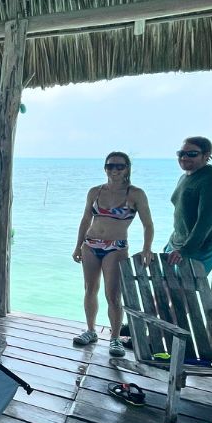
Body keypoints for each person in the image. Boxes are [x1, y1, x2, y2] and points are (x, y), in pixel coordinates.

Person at [72, 152, 155, 356]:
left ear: (127, 168)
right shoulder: (95, 192)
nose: (114, 170)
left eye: (119, 166)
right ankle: (91, 330)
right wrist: (77, 245)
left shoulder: (135, 194)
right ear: (105, 168)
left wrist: (147, 248)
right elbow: (85, 220)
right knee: (90, 289)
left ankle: (115, 338)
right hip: (90, 244)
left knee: (113, 295)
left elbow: (148, 224)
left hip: (116, 247)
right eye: (110, 166)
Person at [167, 136, 212, 276]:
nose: (184, 157)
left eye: (192, 154)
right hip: (177, 242)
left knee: (181, 290)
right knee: (162, 286)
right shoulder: (185, 177)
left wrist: (185, 251)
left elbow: (206, 221)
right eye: (181, 153)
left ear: (206, 155)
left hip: (203, 246)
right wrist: (173, 244)